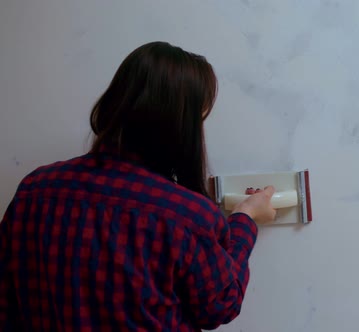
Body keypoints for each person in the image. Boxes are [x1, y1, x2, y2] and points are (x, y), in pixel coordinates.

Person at [0, 41, 276, 331]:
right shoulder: (186, 216)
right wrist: (245, 219)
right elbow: (221, 305)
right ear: (184, 126)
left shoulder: (35, 190)